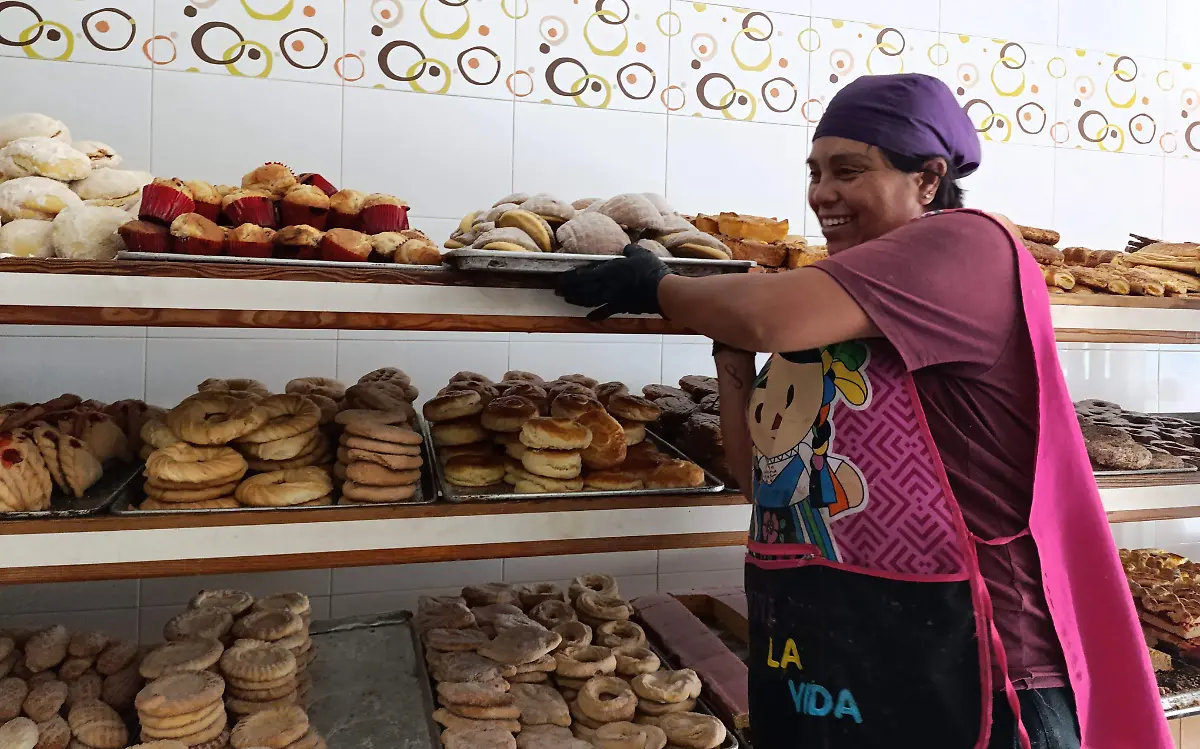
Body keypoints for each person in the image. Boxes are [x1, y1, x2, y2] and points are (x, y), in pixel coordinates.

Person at [557, 73, 1169, 749]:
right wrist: (730, 356)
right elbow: (760, 482)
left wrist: (661, 286)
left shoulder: (969, 246)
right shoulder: (832, 299)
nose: (822, 192)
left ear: (928, 179)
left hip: (975, 660)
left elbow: (764, 317)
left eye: (848, 170)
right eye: (815, 171)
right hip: (833, 648)